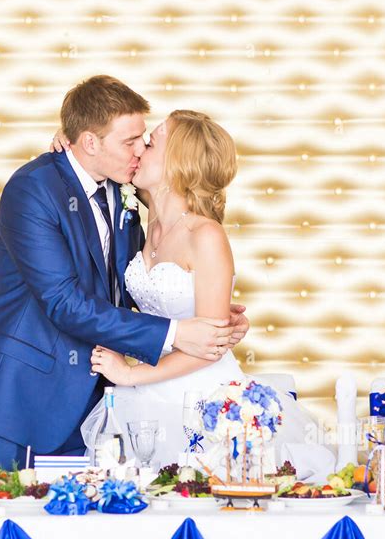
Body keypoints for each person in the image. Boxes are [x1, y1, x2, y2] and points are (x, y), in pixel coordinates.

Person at [0, 77, 249, 469]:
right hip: (22, 398)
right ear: (91, 143)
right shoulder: (33, 189)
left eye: (146, 139)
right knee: (8, 518)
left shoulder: (127, 191)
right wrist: (180, 331)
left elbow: (125, 289)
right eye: (131, 141)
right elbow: (64, 301)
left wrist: (211, 315)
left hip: (103, 400)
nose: (141, 148)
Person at [52, 109, 319, 467]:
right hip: (148, 390)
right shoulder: (142, 221)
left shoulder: (205, 235)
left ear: (178, 161)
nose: (139, 147)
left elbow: (209, 346)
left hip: (200, 396)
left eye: (151, 140)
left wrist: (131, 374)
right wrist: (67, 143)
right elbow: (88, 162)